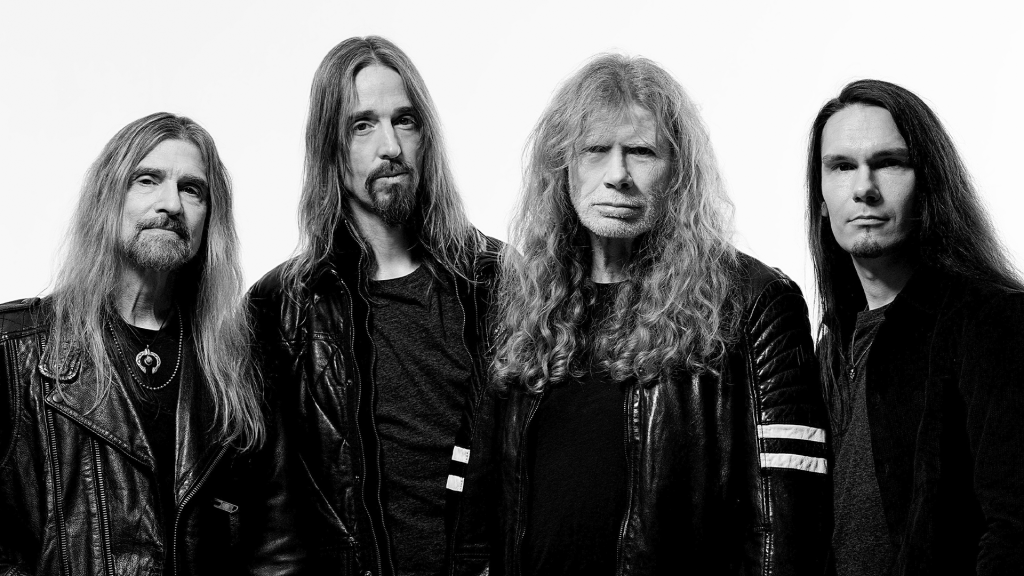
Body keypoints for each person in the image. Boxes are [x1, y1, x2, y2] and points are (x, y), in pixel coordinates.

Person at [489, 53, 831, 575]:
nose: (617, 175)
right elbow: (485, 517)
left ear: (678, 172)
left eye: (642, 152)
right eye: (595, 150)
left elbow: (786, 530)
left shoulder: (753, 302)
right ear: (562, 166)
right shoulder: (525, 304)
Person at [0, 113, 302, 574]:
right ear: (107, 200)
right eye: (147, 180)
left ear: (210, 219)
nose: (171, 204)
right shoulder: (14, 348)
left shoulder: (242, 364)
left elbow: (277, 549)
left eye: (192, 189)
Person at [249, 36, 501, 575]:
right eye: (362, 125)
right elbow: (271, 516)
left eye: (405, 121)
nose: (391, 146)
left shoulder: (498, 281)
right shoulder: (282, 308)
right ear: (330, 149)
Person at [808, 79, 1024, 576]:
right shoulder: (833, 346)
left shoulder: (993, 321)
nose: (863, 188)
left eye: (889, 163)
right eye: (841, 166)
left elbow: (1015, 530)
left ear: (928, 184)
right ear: (820, 196)